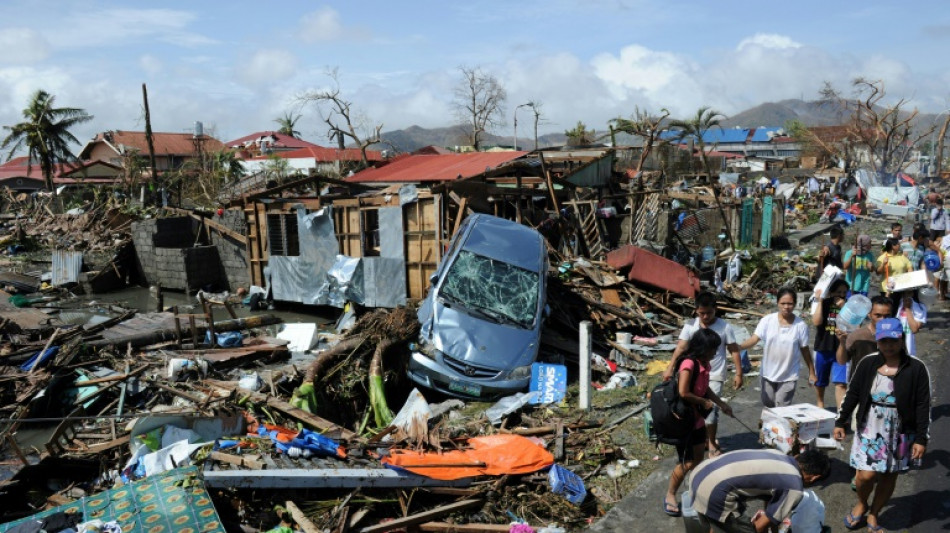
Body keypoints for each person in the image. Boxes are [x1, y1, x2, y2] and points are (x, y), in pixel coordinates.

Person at [834, 318, 931, 532]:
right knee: (865, 475)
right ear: (878, 341)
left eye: (893, 341)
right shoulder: (868, 363)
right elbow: (853, 394)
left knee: (888, 475)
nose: (888, 346)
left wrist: (921, 438)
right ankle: (862, 503)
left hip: (900, 430)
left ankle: (874, 513)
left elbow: (923, 405)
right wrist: (840, 421)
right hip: (870, 424)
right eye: (884, 341)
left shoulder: (916, 368)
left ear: (901, 339)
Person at [662, 291, 743, 457]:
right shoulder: (690, 326)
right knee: (694, 409)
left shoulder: (724, 327)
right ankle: (698, 440)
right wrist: (670, 367)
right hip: (693, 375)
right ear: (696, 311)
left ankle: (711, 442)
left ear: (716, 309)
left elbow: (733, 350)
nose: (705, 317)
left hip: (715, 374)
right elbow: (681, 348)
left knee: (711, 412)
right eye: (701, 313)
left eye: (709, 313)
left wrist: (739, 373)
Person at [662, 329, 733, 517]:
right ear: (703, 347)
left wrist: (721, 404)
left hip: (698, 420)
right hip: (684, 420)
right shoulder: (688, 363)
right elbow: (684, 392)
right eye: (713, 348)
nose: (715, 352)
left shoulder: (704, 364)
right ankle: (670, 494)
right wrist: (703, 402)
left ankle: (696, 490)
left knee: (699, 459)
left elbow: (704, 388)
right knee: (686, 462)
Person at [687, 449, 831, 533]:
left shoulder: (779, 454)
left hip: (699, 474)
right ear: (813, 478)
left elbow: (772, 504)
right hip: (715, 494)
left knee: (719, 524)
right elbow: (760, 527)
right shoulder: (794, 486)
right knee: (746, 530)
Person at [738, 288, 816, 408]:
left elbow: (805, 350)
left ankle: (778, 425)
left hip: (789, 374)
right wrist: (738, 347)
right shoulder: (767, 321)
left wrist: (812, 372)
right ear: (777, 303)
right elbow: (754, 339)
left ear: (795, 304)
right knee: (768, 404)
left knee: (781, 408)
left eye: (790, 303)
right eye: (783, 303)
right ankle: (767, 425)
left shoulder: (800, 326)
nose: (786, 307)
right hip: (768, 372)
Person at [835, 296, 893, 382]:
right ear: (869, 314)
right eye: (878, 315)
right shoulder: (857, 336)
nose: (883, 319)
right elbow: (841, 361)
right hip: (860, 387)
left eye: (887, 316)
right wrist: (842, 343)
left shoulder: (896, 335)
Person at [811, 279, 849, 409]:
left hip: (842, 348)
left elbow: (856, 326)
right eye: (838, 292)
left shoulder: (849, 306)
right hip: (823, 347)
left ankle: (840, 411)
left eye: (844, 292)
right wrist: (820, 301)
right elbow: (816, 322)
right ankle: (820, 401)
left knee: (841, 383)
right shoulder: (824, 303)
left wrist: (844, 308)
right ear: (831, 292)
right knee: (820, 380)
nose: (841, 295)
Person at [876, 238, 913, 314]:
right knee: (887, 308)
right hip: (887, 288)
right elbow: (878, 272)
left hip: (900, 286)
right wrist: (883, 264)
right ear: (893, 246)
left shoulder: (902, 256)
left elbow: (909, 267)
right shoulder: (883, 257)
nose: (900, 245)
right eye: (898, 244)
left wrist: (910, 276)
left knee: (897, 308)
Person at [894, 291, 926, 356]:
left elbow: (914, 329)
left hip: (908, 350)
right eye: (904, 293)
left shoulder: (919, 307)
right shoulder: (896, 303)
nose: (906, 296)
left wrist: (907, 309)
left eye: (908, 292)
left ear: (913, 293)